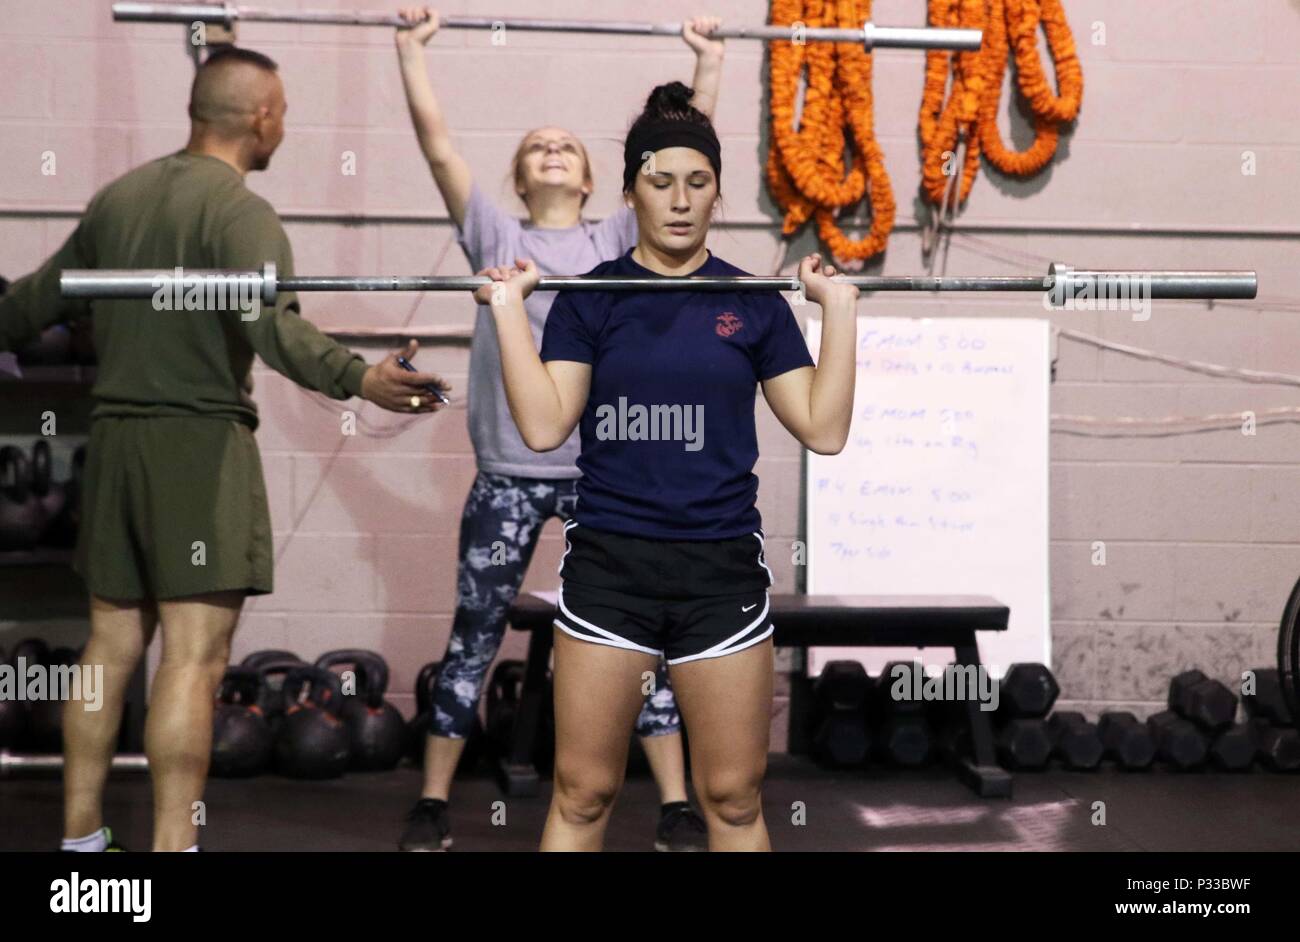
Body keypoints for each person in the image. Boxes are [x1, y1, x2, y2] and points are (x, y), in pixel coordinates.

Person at [0, 47, 450, 852]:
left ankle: (79, 845)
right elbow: (270, 327)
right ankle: (173, 848)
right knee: (194, 660)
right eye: (282, 109)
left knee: (107, 649)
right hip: (196, 447)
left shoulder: (120, 197)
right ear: (261, 117)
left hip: (111, 445)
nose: (286, 122)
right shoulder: (242, 214)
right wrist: (360, 378)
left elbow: (30, 305)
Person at [475, 81, 861, 851]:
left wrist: (840, 312)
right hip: (610, 567)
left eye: (698, 182)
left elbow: (823, 428)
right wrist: (510, 311)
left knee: (733, 797)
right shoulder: (592, 299)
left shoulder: (753, 304)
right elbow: (547, 423)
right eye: (659, 182)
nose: (680, 200)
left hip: (720, 571)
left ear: (718, 192)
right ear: (629, 192)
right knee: (583, 794)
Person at [392, 7, 726, 852]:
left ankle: (678, 804)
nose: (551, 148)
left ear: (588, 179)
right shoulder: (494, 233)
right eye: (537, 143)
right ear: (521, 173)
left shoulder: (616, 238)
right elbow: (437, 148)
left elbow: (684, 152)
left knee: (637, 636)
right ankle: (432, 803)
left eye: (567, 145)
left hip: (600, 477)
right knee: (474, 629)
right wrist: (411, 50)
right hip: (507, 473)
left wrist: (706, 61)